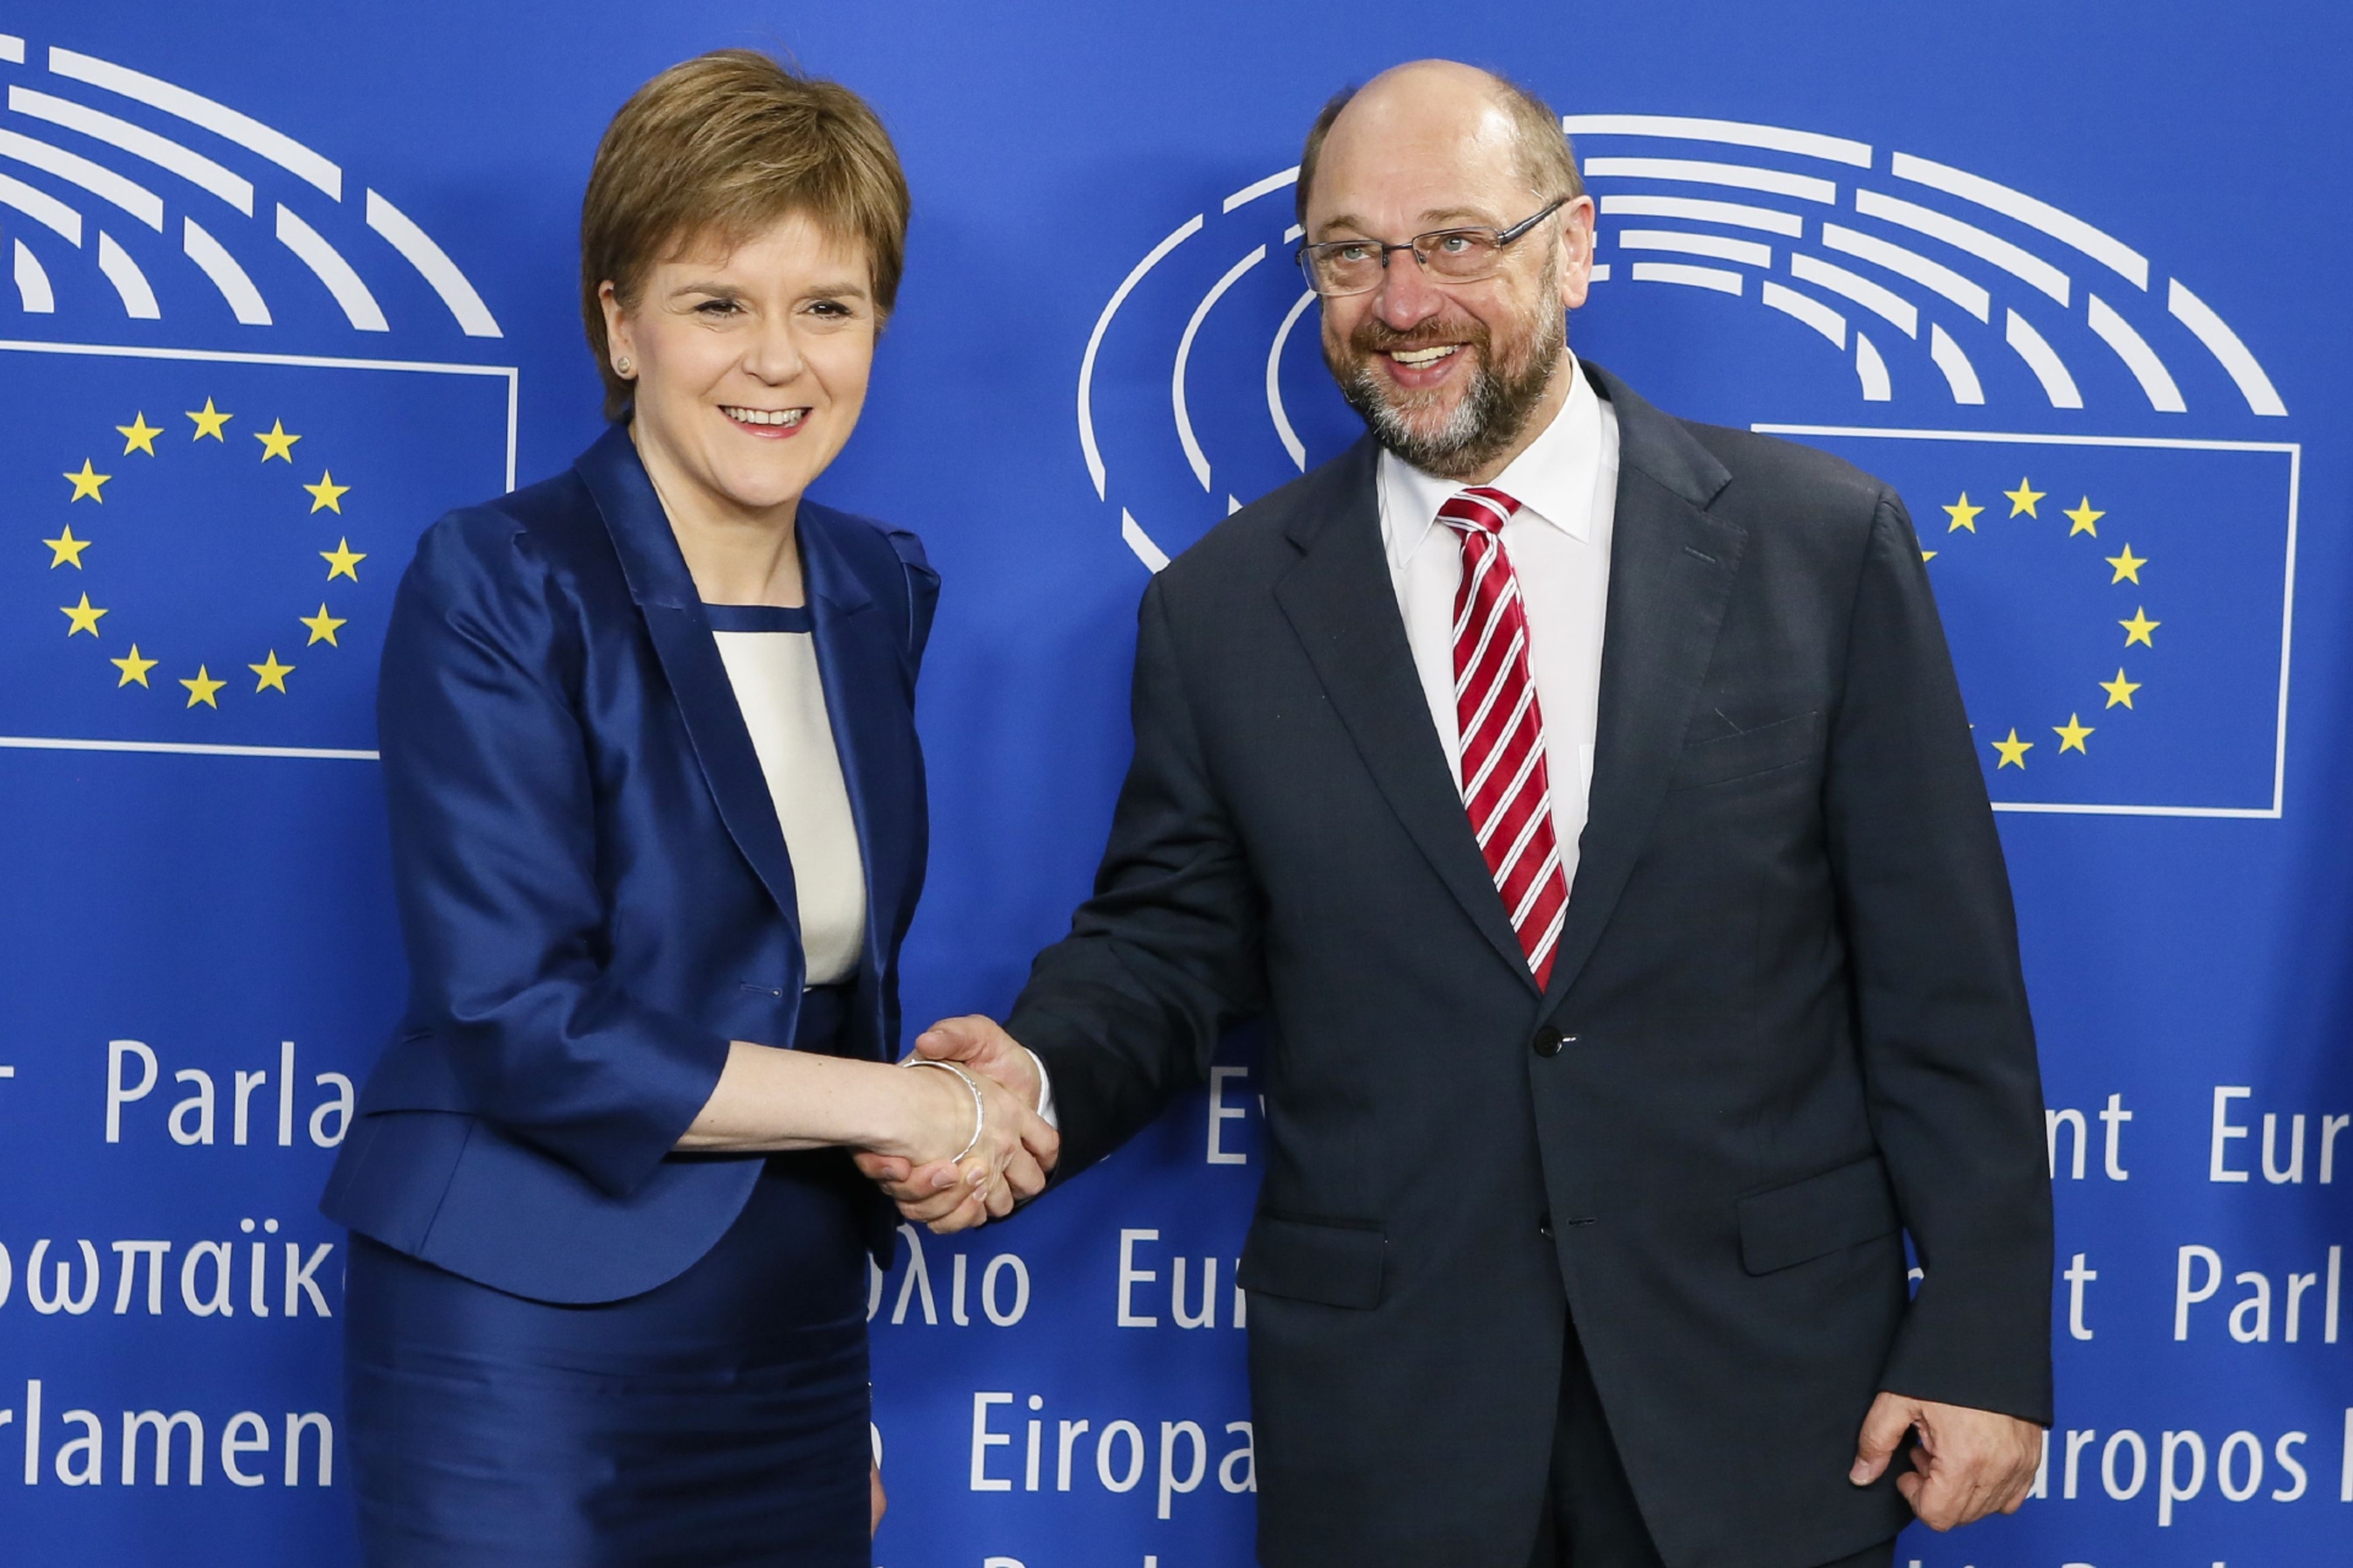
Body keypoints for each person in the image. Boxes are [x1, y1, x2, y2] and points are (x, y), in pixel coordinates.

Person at [863, 59, 2052, 1568]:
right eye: (1350, 252)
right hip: (1399, 1426)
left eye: (1455, 241)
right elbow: (1169, 946)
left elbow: (1943, 980)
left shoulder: (1820, 549)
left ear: (1572, 245)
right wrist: (1028, 1075)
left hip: (1762, 1406)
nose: (1401, 300)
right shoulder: (1223, 614)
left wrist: (1985, 1333)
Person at [321, 51, 1054, 1567]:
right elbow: (518, 1018)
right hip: (515, 1335)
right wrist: (915, 1108)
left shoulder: (877, 584)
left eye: (828, 307)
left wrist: (836, 1366)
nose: (776, 361)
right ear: (619, 322)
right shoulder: (501, 577)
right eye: (718, 301)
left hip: (784, 1336)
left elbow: (815, 970)